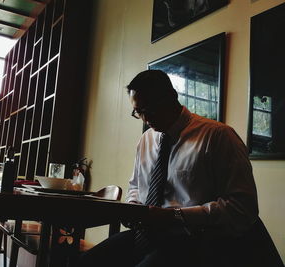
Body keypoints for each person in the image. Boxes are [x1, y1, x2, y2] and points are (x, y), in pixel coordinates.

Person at [77, 70, 262, 267]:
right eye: (139, 112)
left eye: (151, 109)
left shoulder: (218, 136)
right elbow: (136, 187)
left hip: (197, 241)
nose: (146, 119)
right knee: (85, 263)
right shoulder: (146, 140)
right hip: (146, 235)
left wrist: (175, 217)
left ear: (172, 97)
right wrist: (133, 207)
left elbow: (243, 208)